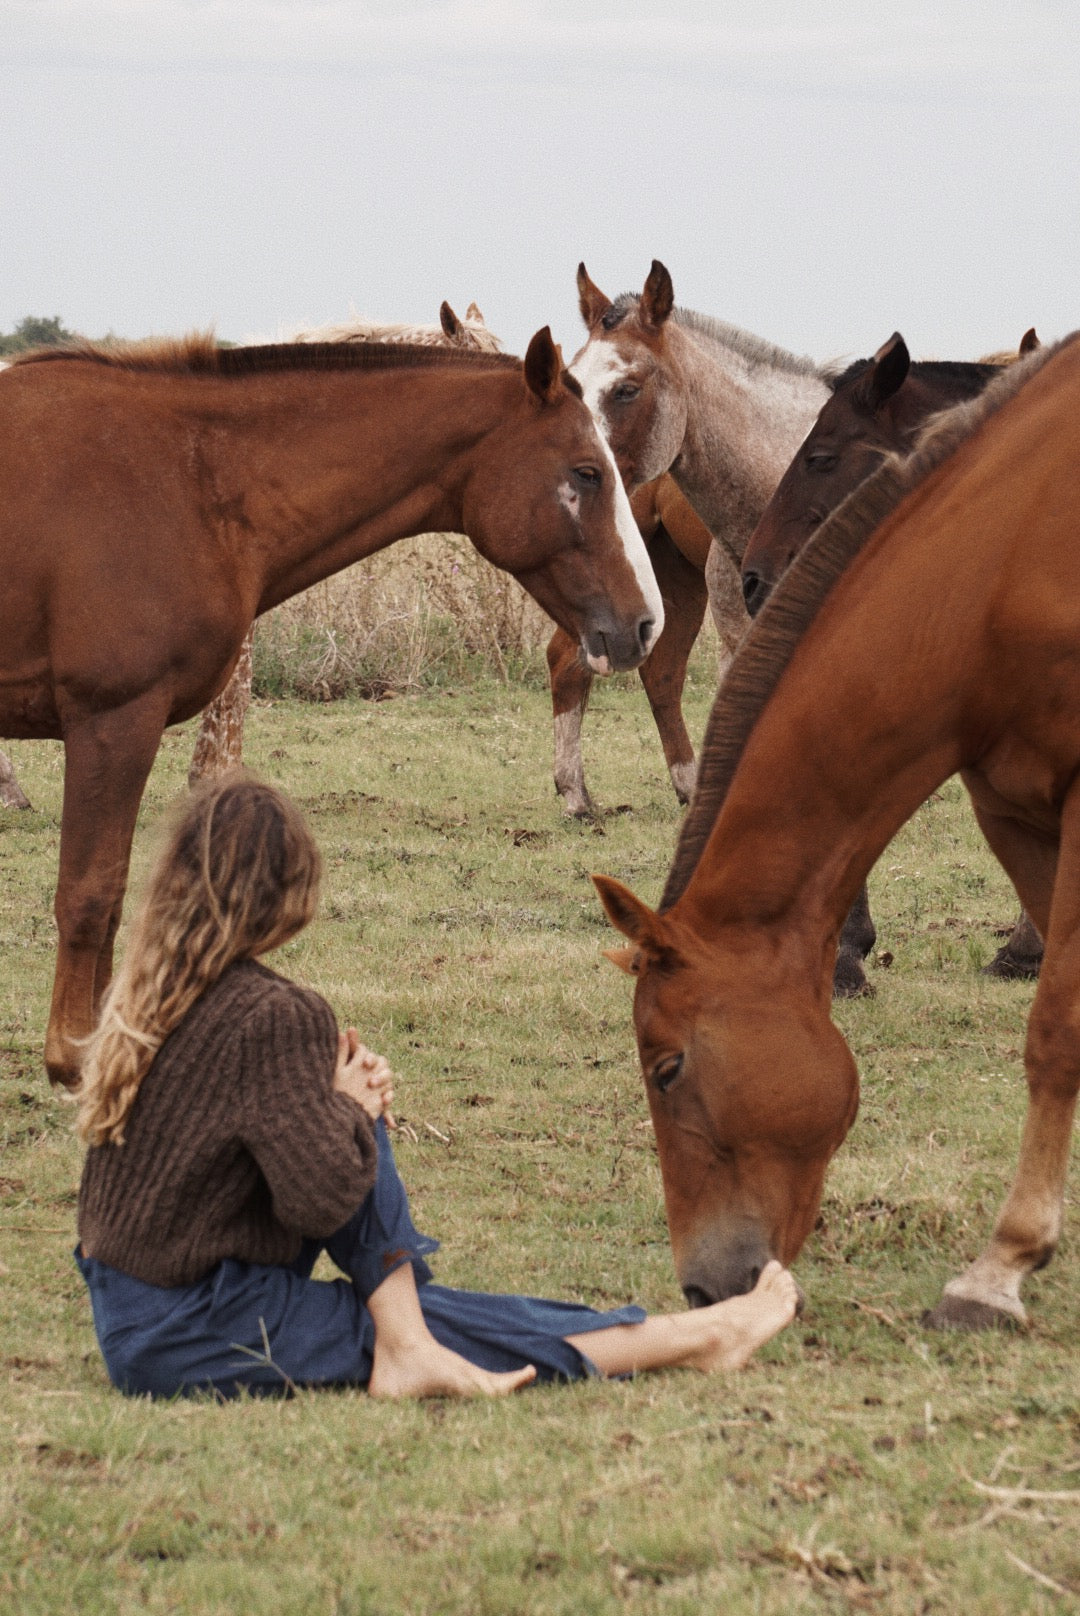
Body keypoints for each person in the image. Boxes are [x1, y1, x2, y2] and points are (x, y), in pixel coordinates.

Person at [75, 776, 798, 1401]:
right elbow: (320, 1199)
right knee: (453, 1324)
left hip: (132, 1316)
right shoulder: (273, 1016)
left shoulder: (148, 992)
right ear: (285, 891)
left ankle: (408, 1333)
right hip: (201, 1324)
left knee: (419, 1314)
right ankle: (701, 1335)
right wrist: (351, 1113)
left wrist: (327, 1104)